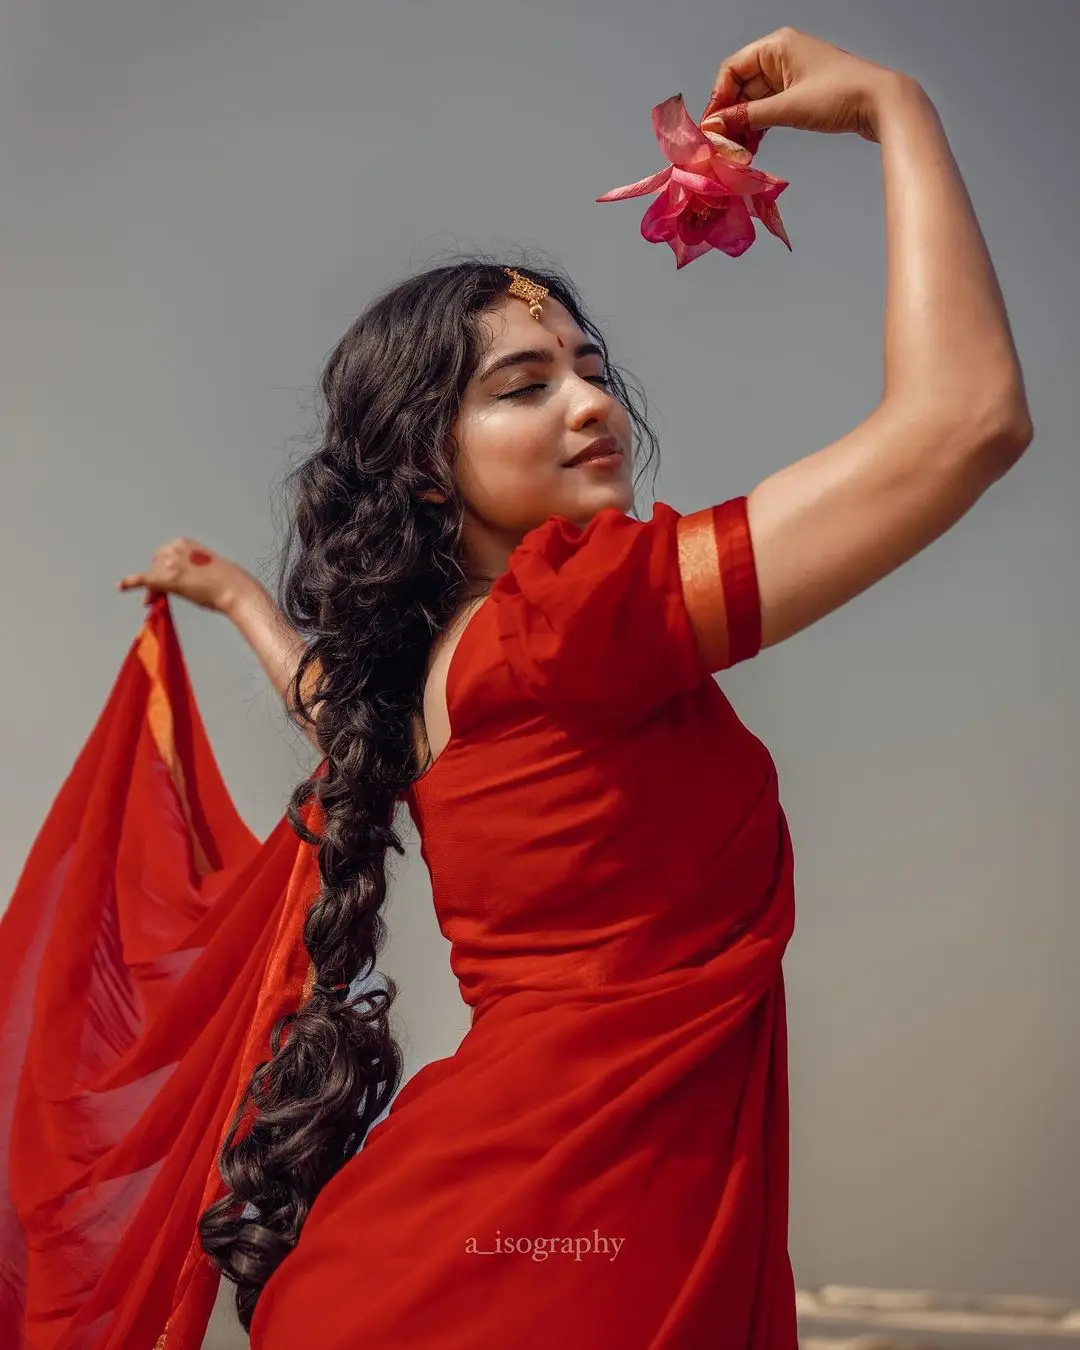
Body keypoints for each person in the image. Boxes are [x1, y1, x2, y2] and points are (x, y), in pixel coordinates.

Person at [112, 27, 1032, 1350]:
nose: (591, 403)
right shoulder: (571, 610)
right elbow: (966, 421)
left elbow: (332, 711)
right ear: (431, 466)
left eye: (590, 367)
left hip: (487, 1234)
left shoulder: (436, 678)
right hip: (575, 1251)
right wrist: (898, 106)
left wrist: (241, 602)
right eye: (524, 384)